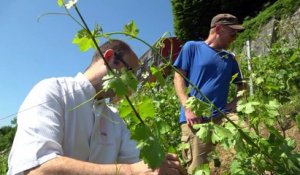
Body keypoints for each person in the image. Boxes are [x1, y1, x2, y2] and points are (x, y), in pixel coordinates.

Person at [8, 39, 183, 175]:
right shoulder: (52, 91)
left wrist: (161, 166)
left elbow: (139, 165)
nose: (133, 83)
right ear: (110, 58)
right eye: (131, 73)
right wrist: (130, 172)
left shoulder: (115, 119)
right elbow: (37, 169)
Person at [173, 14, 246, 174]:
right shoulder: (192, 47)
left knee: (249, 140)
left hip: (224, 116)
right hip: (196, 120)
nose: (235, 37)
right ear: (219, 29)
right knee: (197, 169)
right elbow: (178, 77)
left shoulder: (229, 58)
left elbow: (242, 85)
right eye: (232, 33)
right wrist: (187, 108)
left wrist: (234, 104)